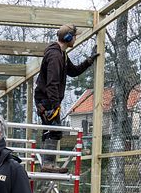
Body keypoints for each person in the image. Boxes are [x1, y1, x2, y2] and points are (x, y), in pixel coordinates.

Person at [33, 23, 99, 173]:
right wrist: (55, 105)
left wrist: (88, 61)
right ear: (68, 37)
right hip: (47, 99)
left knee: (50, 130)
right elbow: (52, 83)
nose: (75, 39)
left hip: (48, 98)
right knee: (54, 131)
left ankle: (47, 164)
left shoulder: (62, 54)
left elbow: (73, 71)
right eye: (74, 36)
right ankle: (48, 165)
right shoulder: (55, 56)